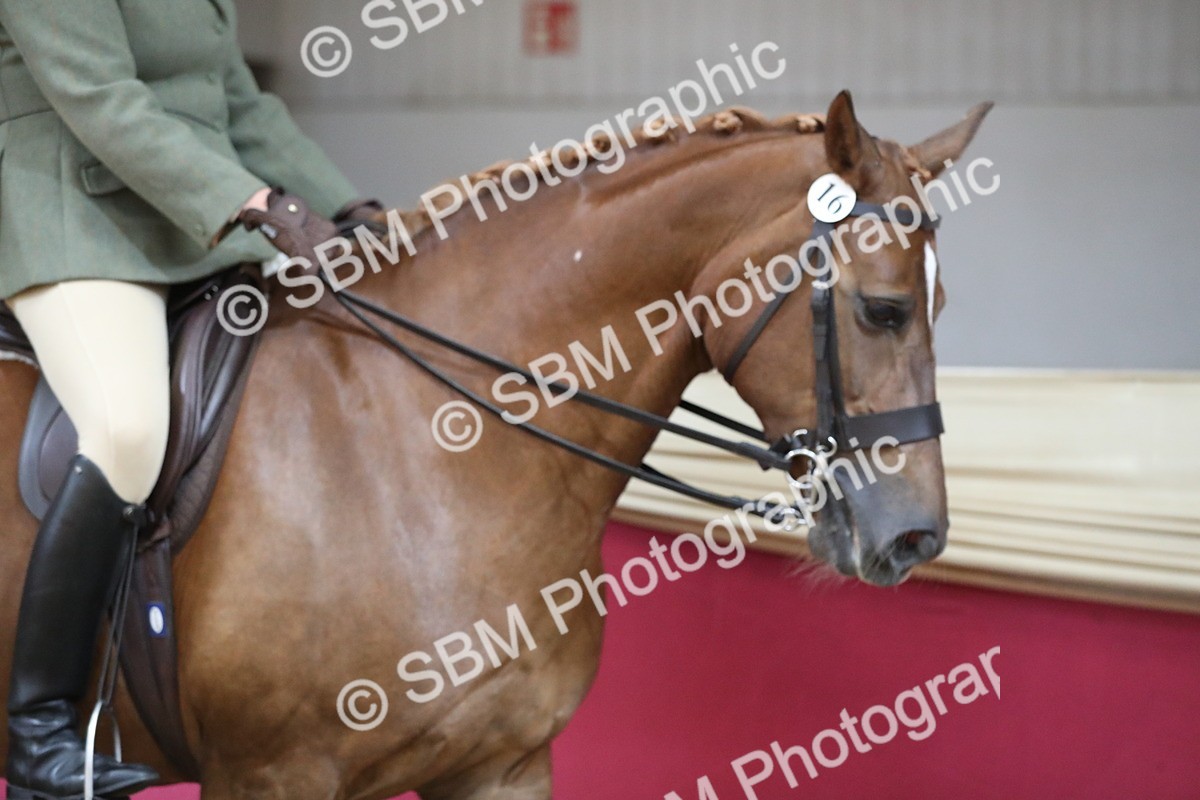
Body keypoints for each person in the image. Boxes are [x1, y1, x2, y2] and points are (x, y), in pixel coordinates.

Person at [0, 2, 381, 798]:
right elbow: (99, 97)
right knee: (126, 426)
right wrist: (256, 204)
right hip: (74, 215)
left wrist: (345, 207)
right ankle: (38, 733)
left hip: (190, 222)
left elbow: (237, 102)